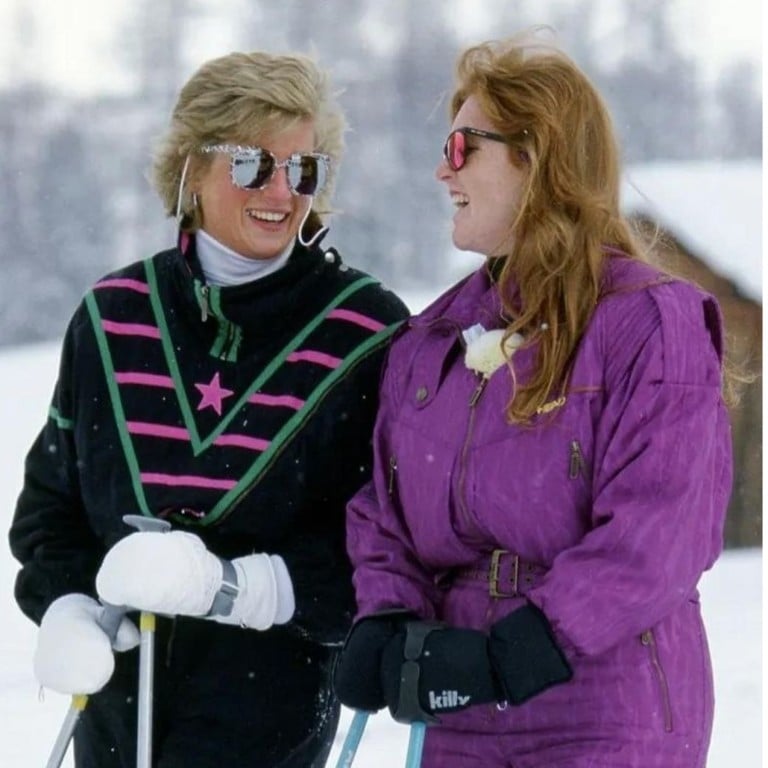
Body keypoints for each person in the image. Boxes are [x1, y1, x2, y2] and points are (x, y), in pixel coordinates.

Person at [333, 33, 733, 768]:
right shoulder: (432, 340)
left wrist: (530, 644)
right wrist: (386, 615)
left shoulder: (649, 321)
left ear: (537, 157)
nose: (439, 169)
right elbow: (383, 511)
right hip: (462, 707)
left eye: (461, 148)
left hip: (608, 702)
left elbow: (661, 531)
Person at [9, 50, 408, 768]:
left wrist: (239, 589)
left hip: (266, 713)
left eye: (306, 169)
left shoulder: (364, 331)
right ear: (191, 167)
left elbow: (388, 540)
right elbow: (50, 509)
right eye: (255, 163)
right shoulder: (113, 318)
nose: (283, 192)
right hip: (113, 712)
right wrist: (64, 603)